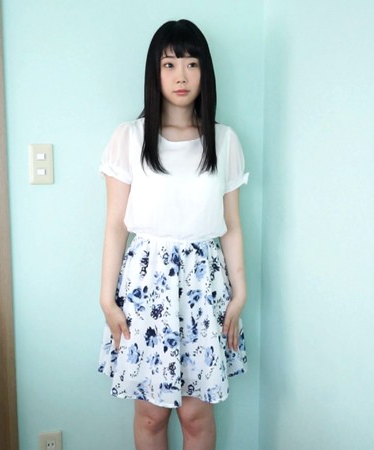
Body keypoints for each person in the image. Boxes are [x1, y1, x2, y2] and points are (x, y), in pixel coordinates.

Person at [97, 19, 249, 450]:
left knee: (196, 415)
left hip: (204, 286)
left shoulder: (224, 140)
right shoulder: (129, 138)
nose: (181, 76)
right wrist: (106, 298)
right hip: (146, 285)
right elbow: (115, 225)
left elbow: (231, 226)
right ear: (155, 72)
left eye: (191, 63)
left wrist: (240, 293)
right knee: (151, 415)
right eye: (169, 64)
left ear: (204, 72)